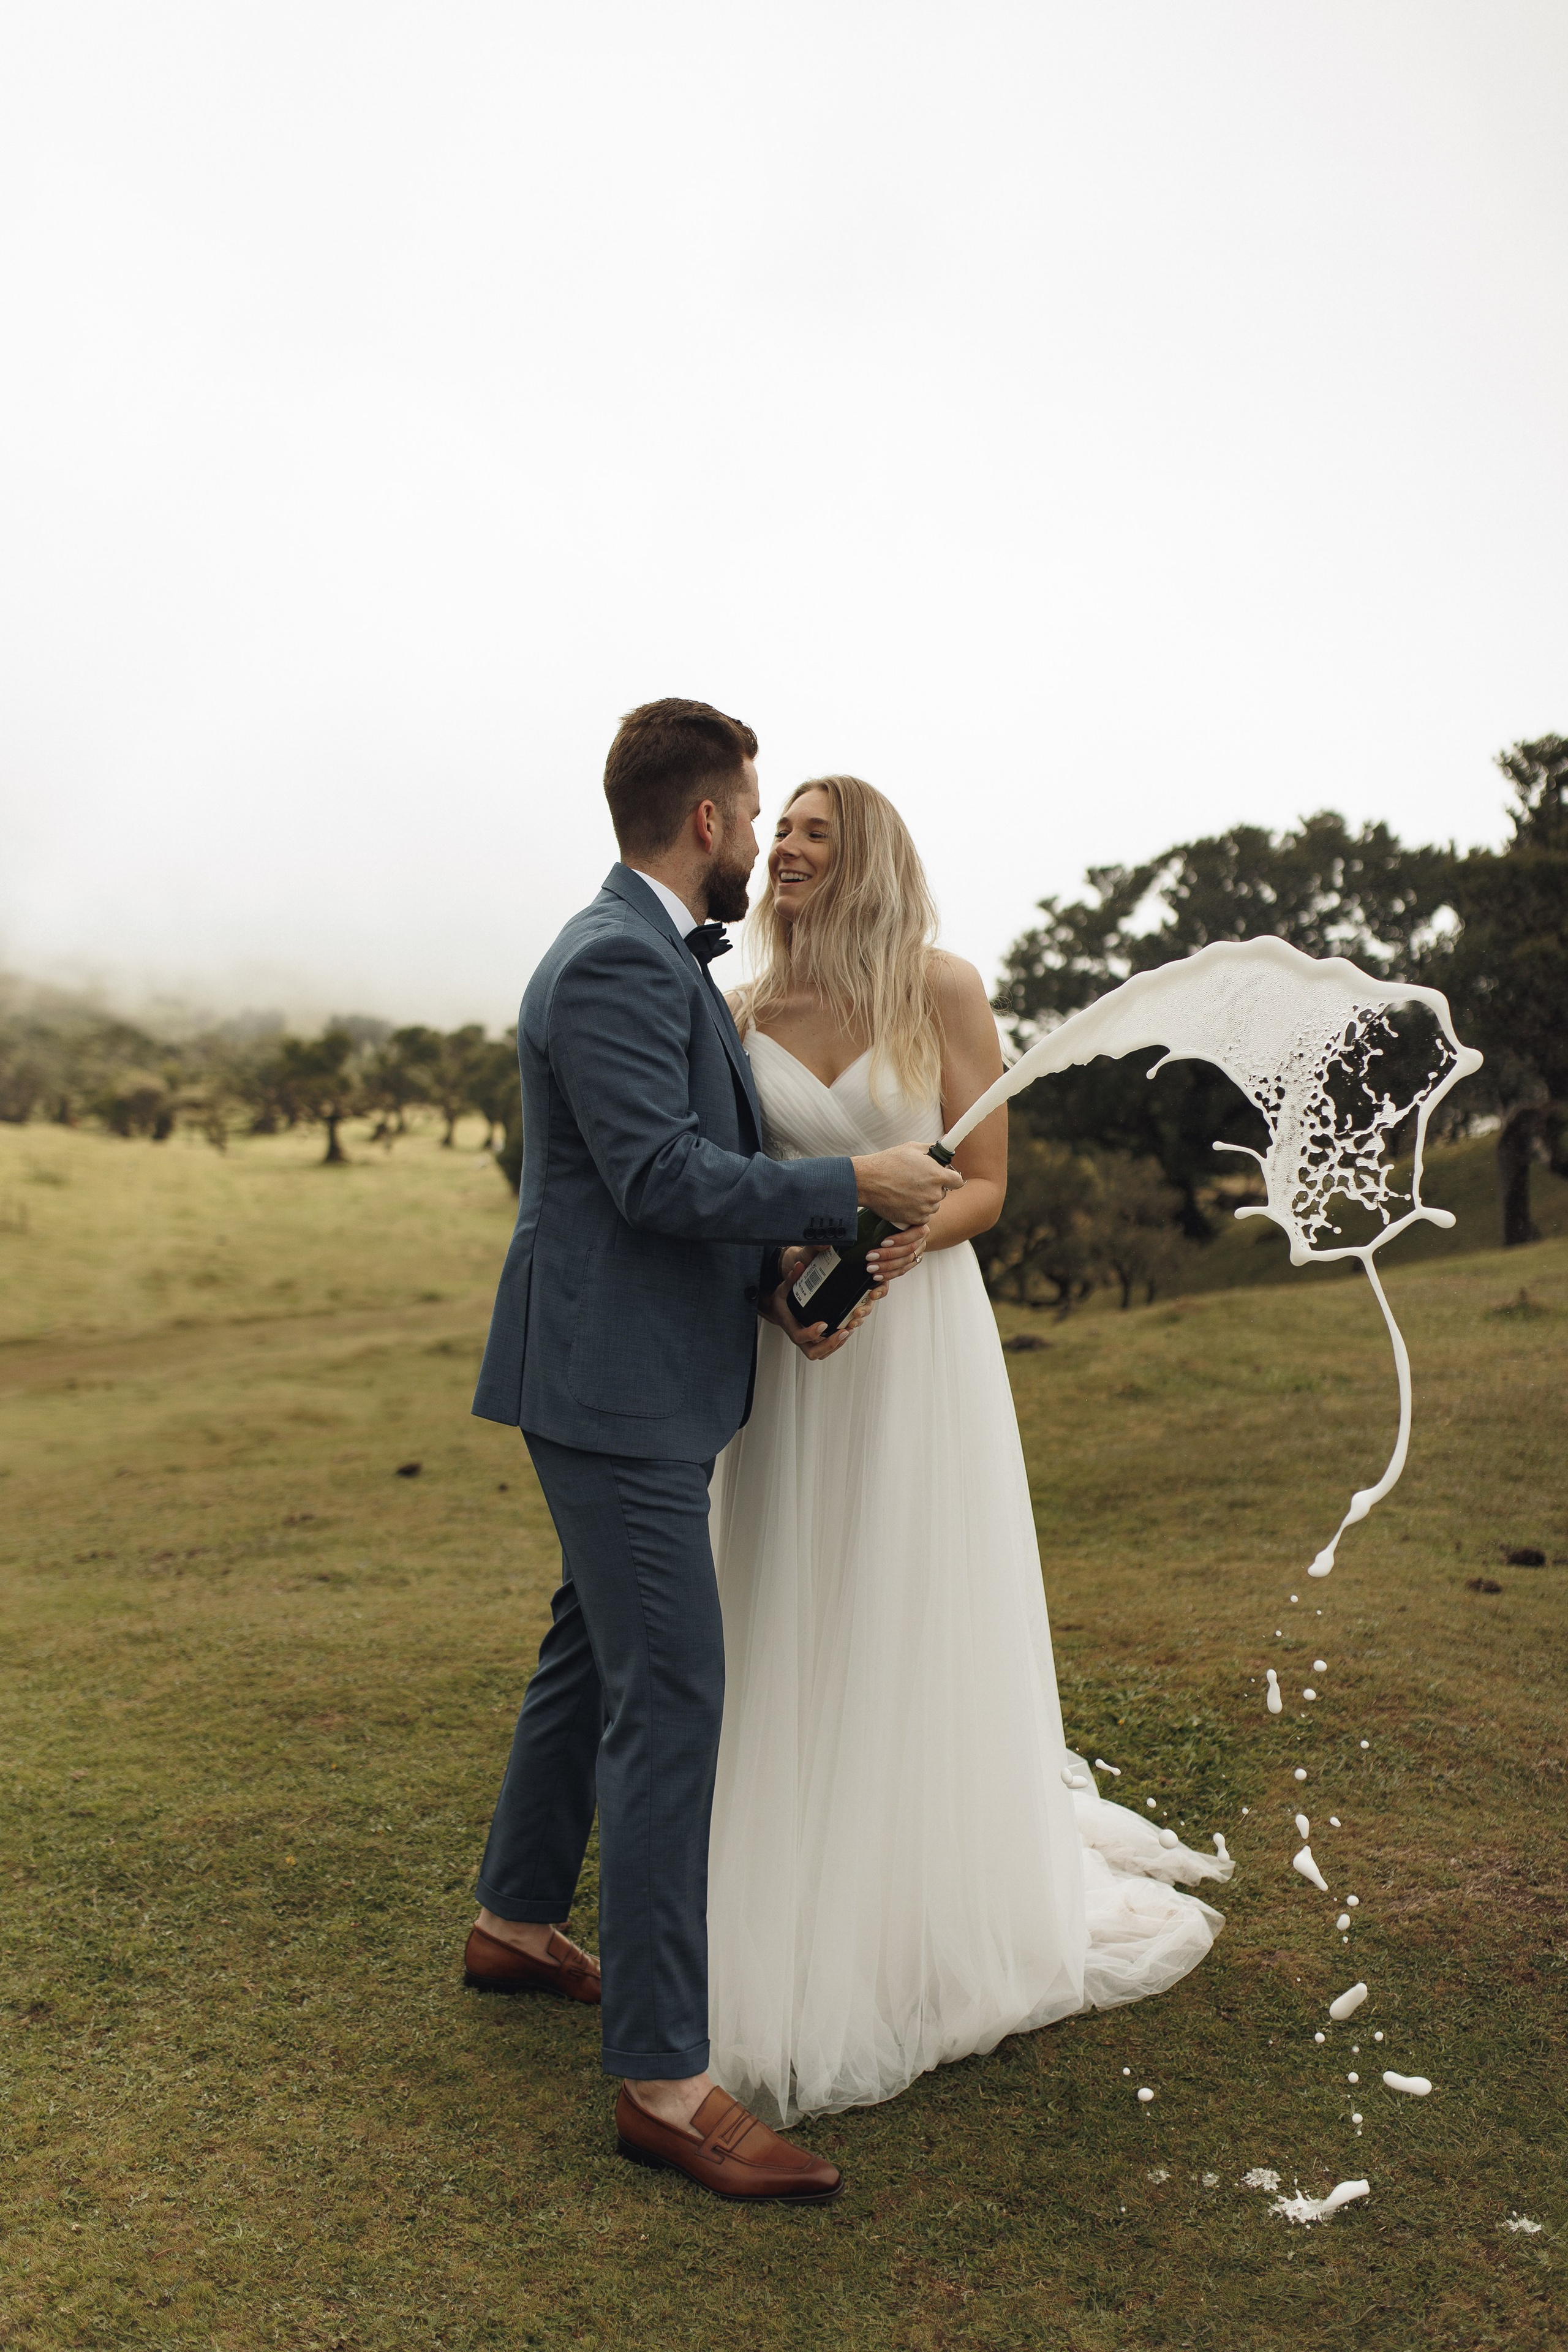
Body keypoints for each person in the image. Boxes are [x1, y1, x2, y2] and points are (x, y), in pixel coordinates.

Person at [466, 702, 962, 2201]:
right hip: (612, 1388)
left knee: (587, 1644)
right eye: (753, 815)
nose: (760, 840)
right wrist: (849, 1182)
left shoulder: (640, 952)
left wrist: (774, 1285)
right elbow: (657, 1172)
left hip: (645, 1368)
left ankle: (514, 1918)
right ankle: (666, 2080)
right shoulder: (619, 957)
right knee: (671, 1689)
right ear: (707, 824)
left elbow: (672, 1185)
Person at [706, 774, 1235, 2127]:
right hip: (791, 1344)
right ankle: (785, 1860)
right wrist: (782, 1279)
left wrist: (889, 1252)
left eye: (812, 833)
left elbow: (987, 1184)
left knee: (906, 1585)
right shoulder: (737, 1009)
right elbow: (729, 1180)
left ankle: (917, 1880)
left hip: (915, 1332)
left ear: (868, 853)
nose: (784, 851)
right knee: (786, 1593)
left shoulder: (938, 988)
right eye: (777, 833)